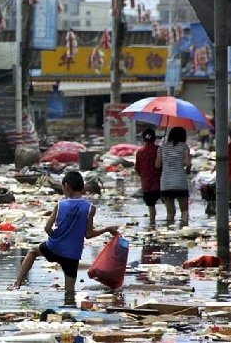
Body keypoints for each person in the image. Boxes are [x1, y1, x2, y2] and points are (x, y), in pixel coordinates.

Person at [9, 170, 118, 303]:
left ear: (66, 186)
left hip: (54, 247)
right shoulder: (90, 208)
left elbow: (47, 228)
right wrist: (106, 229)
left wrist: (55, 236)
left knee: (32, 251)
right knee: (70, 293)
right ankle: (69, 311)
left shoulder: (60, 205)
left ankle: (17, 283)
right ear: (82, 188)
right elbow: (88, 235)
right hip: (72, 256)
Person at [155, 126, 192, 228]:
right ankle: (184, 231)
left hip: (166, 183)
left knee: (170, 212)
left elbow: (157, 165)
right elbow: (188, 164)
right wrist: (187, 169)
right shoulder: (184, 147)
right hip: (180, 182)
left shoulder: (162, 148)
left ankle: (169, 232)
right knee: (184, 210)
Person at [134, 128, 162, 226]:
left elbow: (137, 168)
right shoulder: (159, 150)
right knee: (168, 205)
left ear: (143, 139)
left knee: (151, 206)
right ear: (154, 139)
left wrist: (143, 176)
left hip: (147, 184)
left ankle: (152, 224)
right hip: (160, 183)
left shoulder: (140, 152)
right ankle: (169, 224)